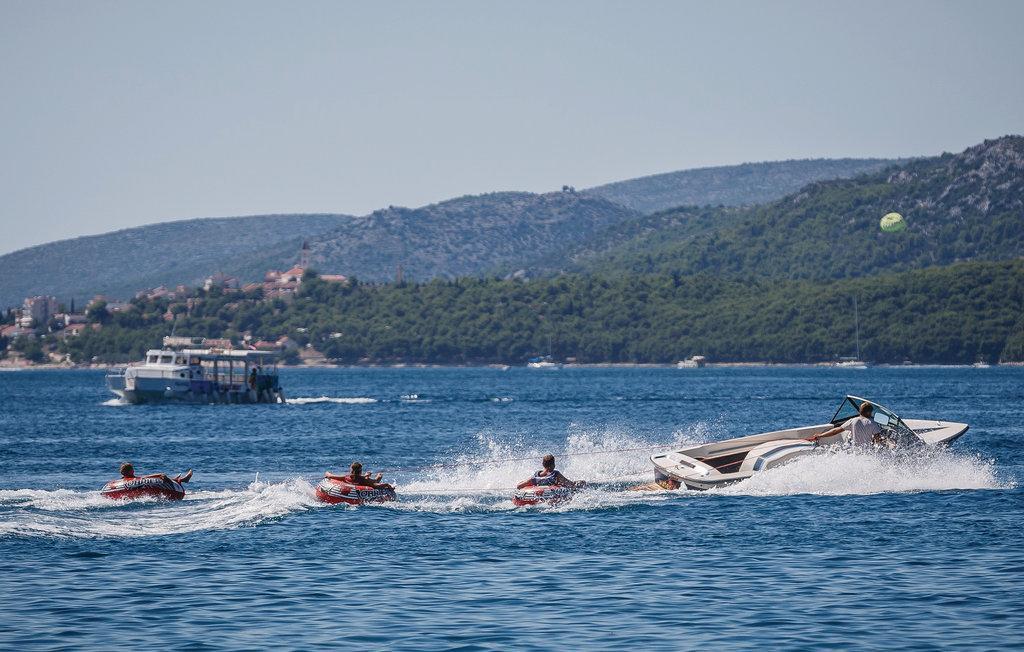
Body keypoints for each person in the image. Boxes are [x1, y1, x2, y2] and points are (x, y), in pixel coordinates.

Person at [809, 402, 884, 446]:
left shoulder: (852, 421)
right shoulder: (873, 423)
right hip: (867, 453)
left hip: (855, 452)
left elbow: (835, 431)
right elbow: (878, 441)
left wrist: (820, 435)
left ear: (860, 411)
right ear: (869, 412)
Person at [517, 454, 583, 489]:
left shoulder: (536, 476)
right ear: (553, 465)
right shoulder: (555, 474)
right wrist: (580, 483)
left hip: (539, 495)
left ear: (543, 464)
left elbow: (519, 486)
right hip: (551, 496)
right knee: (582, 483)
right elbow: (570, 484)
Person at [119, 462, 193, 484]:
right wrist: (160, 475)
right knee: (161, 475)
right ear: (131, 471)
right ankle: (181, 480)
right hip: (140, 481)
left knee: (160, 476)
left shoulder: (122, 480)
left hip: (139, 481)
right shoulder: (132, 480)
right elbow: (143, 479)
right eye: (132, 469)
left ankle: (179, 480)